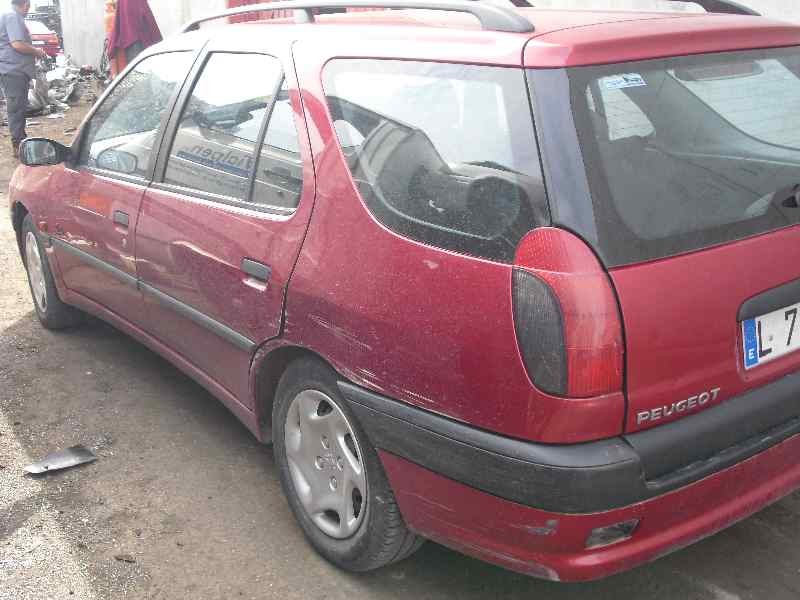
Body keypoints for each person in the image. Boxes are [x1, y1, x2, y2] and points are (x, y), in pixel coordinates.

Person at [0, 0, 46, 158]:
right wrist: (37, 52)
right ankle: (18, 145)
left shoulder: (11, 16)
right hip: (13, 70)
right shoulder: (13, 16)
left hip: (15, 69)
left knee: (18, 107)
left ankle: (20, 139)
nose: (28, 9)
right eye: (29, 6)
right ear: (25, 4)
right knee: (16, 108)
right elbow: (17, 44)